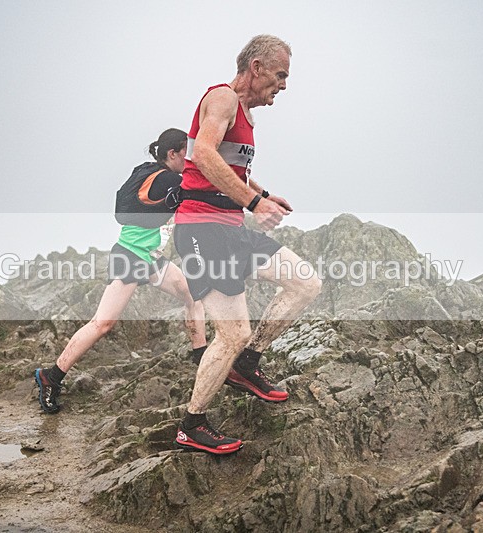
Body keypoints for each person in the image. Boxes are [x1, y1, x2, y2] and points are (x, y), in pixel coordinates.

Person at [172, 35, 322, 454]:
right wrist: (255, 203)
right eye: (280, 75)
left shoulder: (245, 117)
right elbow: (202, 154)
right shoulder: (222, 98)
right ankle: (192, 424)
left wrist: (263, 192)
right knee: (233, 331)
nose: (284, 85)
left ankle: (247, 364)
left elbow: (227, 164)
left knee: (306, 283)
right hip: (200, 228)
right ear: (255, 67)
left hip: (231, 228)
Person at [35, 128, 207, 414]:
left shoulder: (147, 171)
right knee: (103, 324)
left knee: (192, 293)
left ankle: (201, 357)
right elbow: (196, 191)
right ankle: (51, 377)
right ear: (172, 154)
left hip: (150, 257)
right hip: (130, 256)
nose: (187, 158)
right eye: (184, 152)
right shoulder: (167, 179)